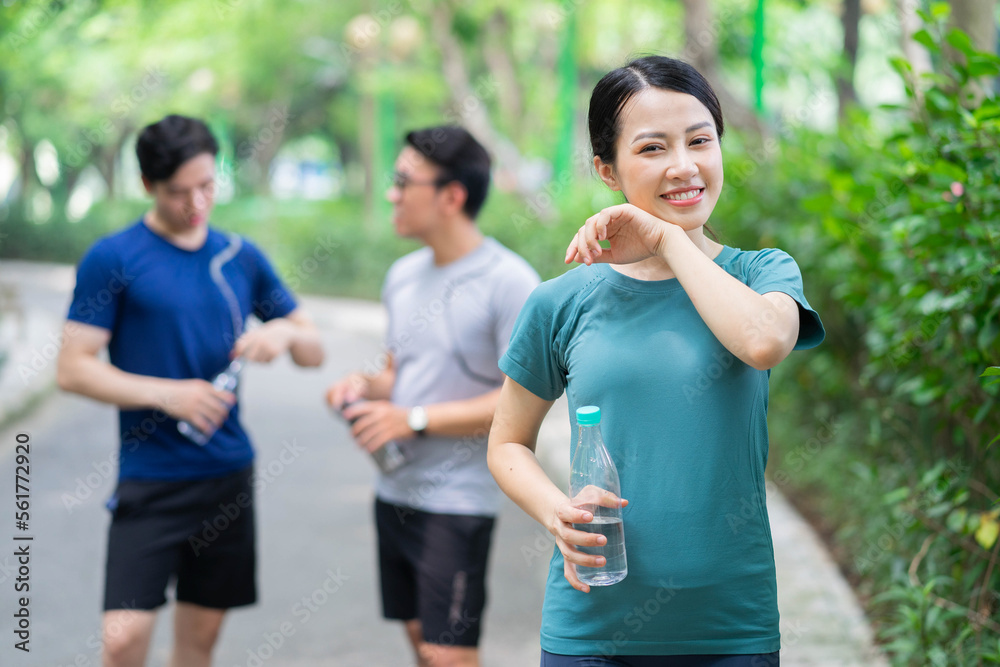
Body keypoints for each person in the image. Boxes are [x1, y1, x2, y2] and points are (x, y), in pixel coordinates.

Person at [487, 56, 826, 666]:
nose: (684, 166)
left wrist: (669, 237)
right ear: (607, 169)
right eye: (652, 148)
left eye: (701, 141)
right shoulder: (561, 301)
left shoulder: (762, 274)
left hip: (729, 627)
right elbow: (507, 443)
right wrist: (555, 512)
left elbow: (763, 342)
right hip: (591, 627)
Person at [56, 114, 324, 667]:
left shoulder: (239, 255)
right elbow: (73, 368)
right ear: (148, 186)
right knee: (123, 642)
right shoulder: (114, 258)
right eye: (181, 192)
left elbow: (312, 348)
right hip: (149, 481)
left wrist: (281, 333)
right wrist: (169, 395)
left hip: (225, 478)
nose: (198, 203)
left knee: (198, 647)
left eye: (207, 186)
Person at [325, 125, 539, 667]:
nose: (391, 194)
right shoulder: (402, 276)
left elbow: (525, 404)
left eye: (402, 182)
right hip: (395, 493)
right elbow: (399, 369)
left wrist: (412, 419)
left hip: (458, 502)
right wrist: (363, 386)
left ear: (452, 195)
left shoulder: (509, 282)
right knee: (423, 645)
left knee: (449, 655)